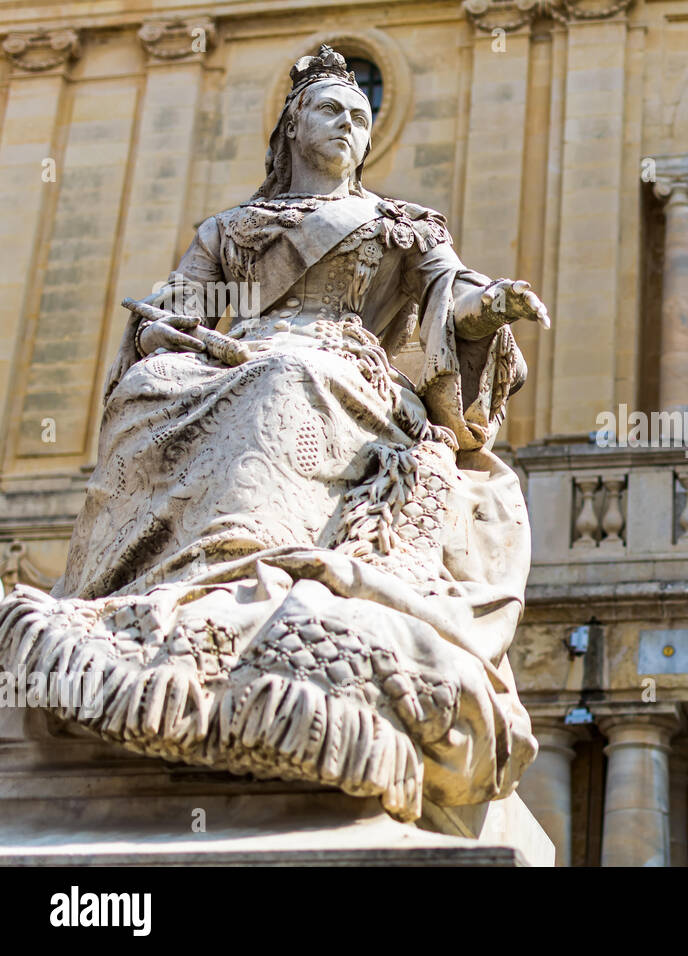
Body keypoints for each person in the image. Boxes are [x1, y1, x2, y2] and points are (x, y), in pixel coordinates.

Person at [0, 45, 550, 822]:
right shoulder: (232, 228)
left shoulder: (403, 227)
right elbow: (178, 310)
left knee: (286, 376)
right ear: (294, 126)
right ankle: (169, 586)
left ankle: (237, 569)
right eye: (333, 111)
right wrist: (170, 332)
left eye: (361, 117)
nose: (349, 127)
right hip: (239, 355)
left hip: (343, 369)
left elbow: (446, 303)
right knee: (156, 386)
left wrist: (488, 309)